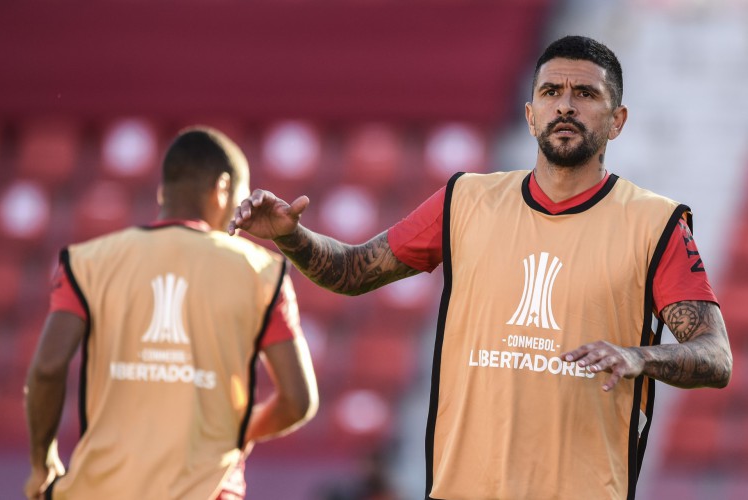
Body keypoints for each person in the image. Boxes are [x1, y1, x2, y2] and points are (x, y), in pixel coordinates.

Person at [228, 35, 733, 499]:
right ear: (531, 114)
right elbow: (354, 271)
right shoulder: (465, 199)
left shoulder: (655, 223)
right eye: (552, 91)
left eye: (585, 93)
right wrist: (292, 237)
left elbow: (715, 357)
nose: (566, 104)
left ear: (617, 120)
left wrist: (639, 357)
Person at [24, 126, 319, 500]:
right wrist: (240, 430)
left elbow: (48, 368)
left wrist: (42, 462)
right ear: (223, 188)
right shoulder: (261, 271)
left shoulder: (88, 262)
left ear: (164, 190)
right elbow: (298, 400)